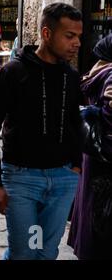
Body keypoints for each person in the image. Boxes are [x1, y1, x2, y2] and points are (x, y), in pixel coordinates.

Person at [0, 3, 83, 260]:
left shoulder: (70, 75)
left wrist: (77, 165)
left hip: (62, 179)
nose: (77, 43)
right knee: (25, 252)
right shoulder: (14, 72)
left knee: (46, 252)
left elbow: (74, 121)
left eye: (79, 36)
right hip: (22, 179)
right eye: (69, 36)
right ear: (47, 34)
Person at [68, 34, 112, 259]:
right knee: (102, 213)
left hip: (92, 152)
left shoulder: (98, 71)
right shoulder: (111, 75)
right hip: (106, 155)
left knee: (91, 209)